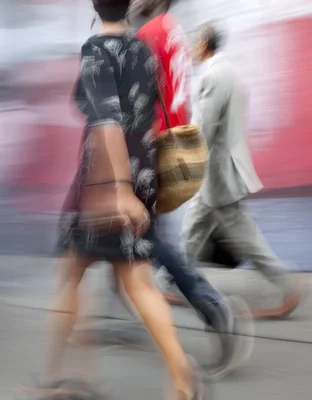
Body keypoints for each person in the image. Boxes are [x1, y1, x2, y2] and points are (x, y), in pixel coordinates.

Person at [36, 1, 205, 398]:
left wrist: (120, 189)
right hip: (142, 171)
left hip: (104, 180)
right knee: (137, 280)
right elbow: (148, 113)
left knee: (72, 275)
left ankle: (60, 380)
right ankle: (180, 374)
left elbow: (105, 120)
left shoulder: (96, 50)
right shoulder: (142, 49)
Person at [110, 0, 254, 380]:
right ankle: (134, 317)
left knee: (145, 234)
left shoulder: (145, 36)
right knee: (127, 236)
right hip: (170, 142)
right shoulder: (173, 30)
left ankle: (212, 307)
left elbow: (130, 102)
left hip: (147, 144)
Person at [183, 22, 307, 319]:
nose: (191, 50)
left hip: (217, 174)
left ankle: (286, 283)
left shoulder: (214, 75)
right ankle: (173, 280)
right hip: (218, 173)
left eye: (194, 43)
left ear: (203, 44)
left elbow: (205, 128)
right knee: (192, 229)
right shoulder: (232, 73)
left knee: (244, 236)